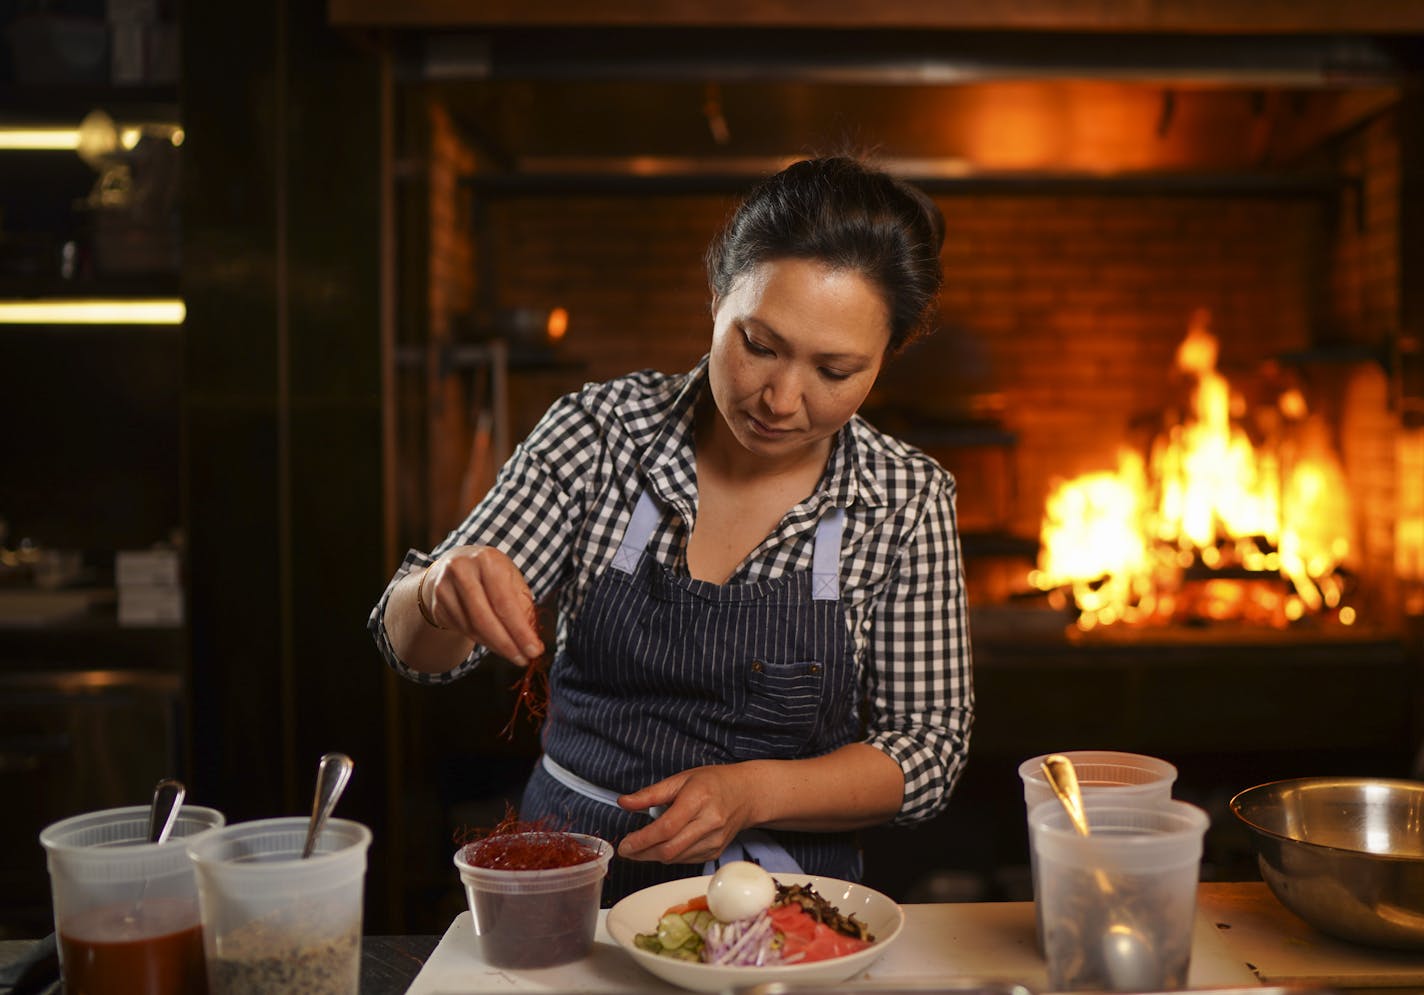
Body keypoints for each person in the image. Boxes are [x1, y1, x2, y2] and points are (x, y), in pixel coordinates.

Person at [369, 155, 974, 904]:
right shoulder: (600, 436)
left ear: (887, 357)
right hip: (567, 880)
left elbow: (929, 750)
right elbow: (415, 652)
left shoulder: (905, 498)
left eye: (836, 370)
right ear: (717, 295)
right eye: (759, 344)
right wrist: (434, 591)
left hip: (786, 902)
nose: (782, 398)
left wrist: (754, 791)